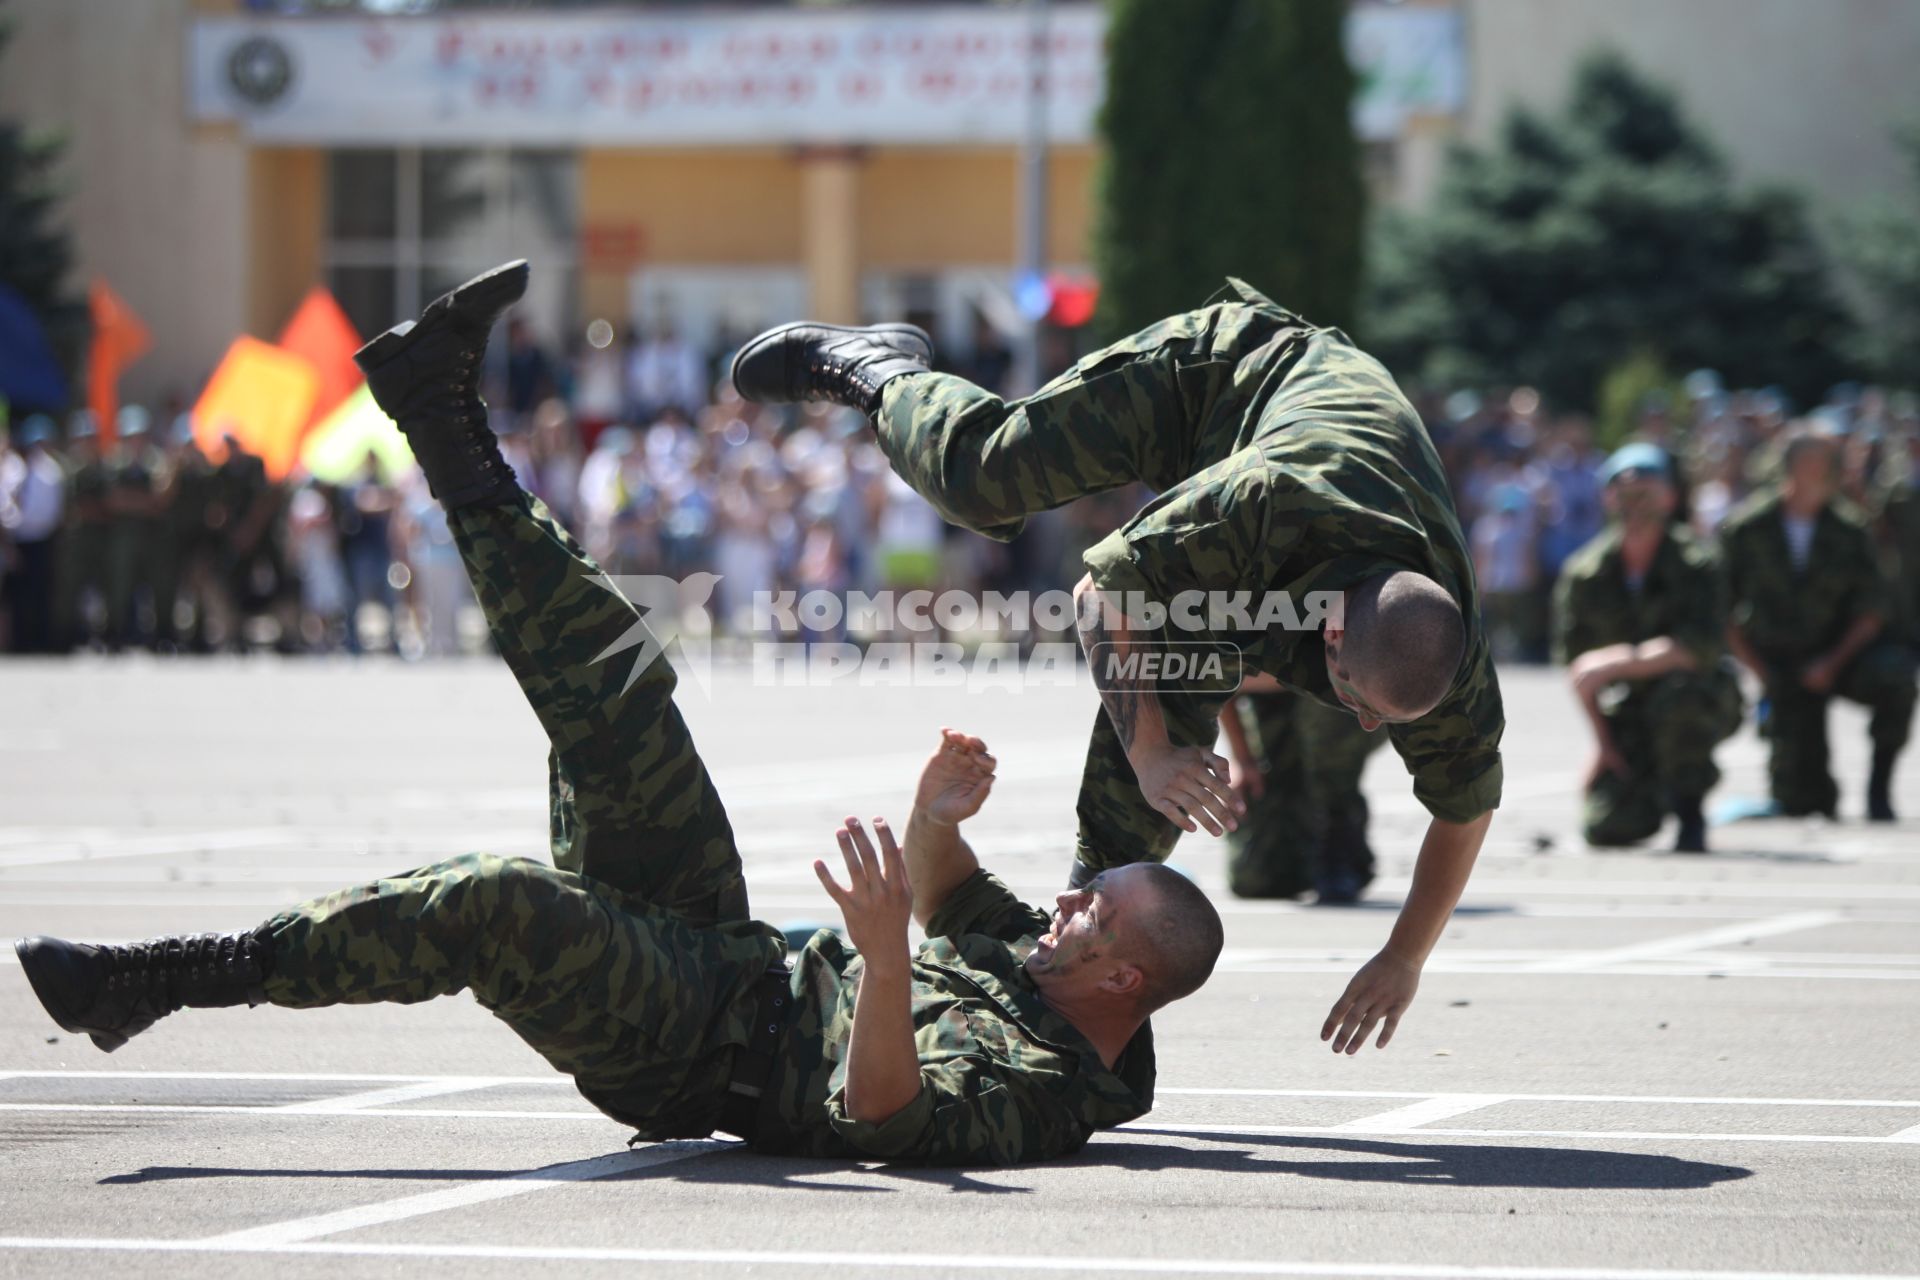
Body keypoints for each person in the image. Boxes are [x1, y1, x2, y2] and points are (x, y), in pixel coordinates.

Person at [13, 262, 1222, 1166]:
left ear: (1121, 970)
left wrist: (892, 959)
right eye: (1084, 887)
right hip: (729, 946)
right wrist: (933, 813)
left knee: (492, 902)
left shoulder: (1056, 1094)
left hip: (696, 1046)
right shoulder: (1040, 952)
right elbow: (944, 879)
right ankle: (438, 405)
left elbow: (886, 1113)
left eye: (1090, 905)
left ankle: (169, 978)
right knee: (617, 687)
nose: (1067, 897)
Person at [733, 278, 1503, 1054]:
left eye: (1381, 721)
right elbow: (1098, 590)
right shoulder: (1262, 502)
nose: (1364, 723)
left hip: (1281, 544)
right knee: (983, 482)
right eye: (1354, 701)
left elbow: (1464, 807)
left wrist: (1405, 957)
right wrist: (1150, 752)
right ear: (1333, 638)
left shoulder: (1440, 646)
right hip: (1218, 380)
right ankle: (878, 367)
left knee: (1157, 746)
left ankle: (1054, 973)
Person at [1552, 444, 1743, 853]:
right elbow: (1578, 671)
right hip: (1628, 711)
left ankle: (1690, 811)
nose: (1636, 505)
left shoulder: (1697, 562)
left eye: (1648, 493)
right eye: (1625, 493)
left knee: (1680, 696)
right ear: (1608, 499)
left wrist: (1617, 660)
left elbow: (1701, 648)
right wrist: (1603, 744)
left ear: (1670, 498)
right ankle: (1647, 786)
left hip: (1697, 699)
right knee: (1607, 827)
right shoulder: (1585, 573)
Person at [1719, 427, 1916, 820]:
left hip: (1840, 659)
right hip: (1779, 666)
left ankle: (1879, 790)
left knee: (1896, 677)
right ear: (1797, 466)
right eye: (1824, 463)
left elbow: (1872, 609)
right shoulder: (1746, 528)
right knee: (1804, 802)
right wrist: (1761, 673)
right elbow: (1721, 608)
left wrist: (1832, 662)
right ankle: (1804, 782)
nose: (1834, 471)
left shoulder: (1850, 529)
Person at [1218, 690, 1384, 903]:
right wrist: (1243, 759)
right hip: (1272, 713)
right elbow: (1220, 678)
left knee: (1325, 700)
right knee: (1256, 879)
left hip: (1349, 704)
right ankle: (1302, 840)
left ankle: (1337, 825)